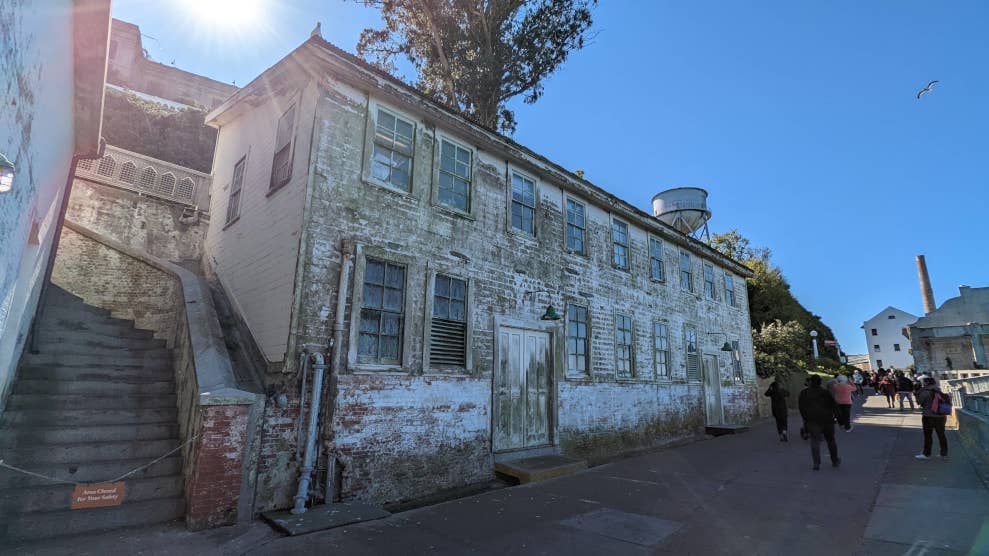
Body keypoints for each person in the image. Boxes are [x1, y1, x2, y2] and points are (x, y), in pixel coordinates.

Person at [798, 375, 840, 470]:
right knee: (831, 441)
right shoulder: (825, 393)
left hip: (812, 420)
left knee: (815, 441)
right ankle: (835, 460)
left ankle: (816, 463)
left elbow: (801, 407)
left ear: (811, 382)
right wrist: (837, 418)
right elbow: (834, 405)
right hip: (827, 419)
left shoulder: (804, 393)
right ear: (820, 382)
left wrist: (806, 418)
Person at [915, 377, 948, 460]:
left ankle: (926, 454)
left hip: (928, 416)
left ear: (926, 383)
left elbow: (919, 402)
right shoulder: (939, 390)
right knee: (941, 435)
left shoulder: (925, 392)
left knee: (928, 436)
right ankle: (944, 453)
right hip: (941, 416)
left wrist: (917, 393)